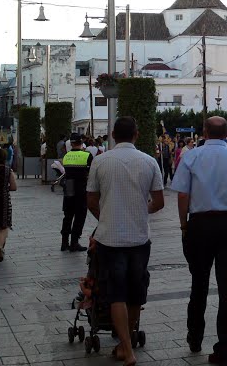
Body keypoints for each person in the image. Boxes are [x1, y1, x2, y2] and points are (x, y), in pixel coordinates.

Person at [170, 116, 227, 365]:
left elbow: (182, 195)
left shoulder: (191, 157)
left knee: (199, 283)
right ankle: (224, 350)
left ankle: (194, 335)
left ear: (204, 132)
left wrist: (184, 224)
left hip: (199, 224)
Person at [86, 116, 165, 366]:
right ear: (136, 134)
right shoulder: (149, 161)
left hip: (109, 239)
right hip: (139, 238)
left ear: (112, 134)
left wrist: (106, 215)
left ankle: (127, 349)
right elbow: (159, 201)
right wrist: (141, 211)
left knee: (116, 293)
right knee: (135, 293)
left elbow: (90, 200)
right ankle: (124, 343)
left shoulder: (100, 161)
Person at [61, 133, 93, 252]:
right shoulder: (87, 156)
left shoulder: (66, 156)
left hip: (69, 186)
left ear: (71, 143)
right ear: (81, 142)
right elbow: (91, 173)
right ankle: (74, 242)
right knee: (80, 215)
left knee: (68, 215)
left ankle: (64, 242)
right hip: (81, 187)